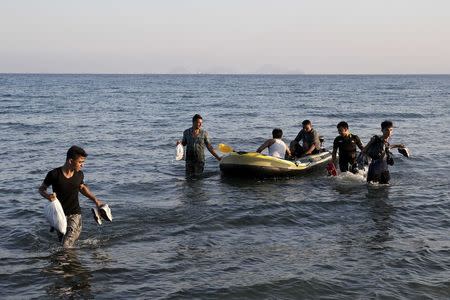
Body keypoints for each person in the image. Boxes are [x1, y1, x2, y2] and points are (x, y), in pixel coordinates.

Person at [38, 145, 103, 248]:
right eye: (80, 162)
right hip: (60, 215)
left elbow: (82, 188)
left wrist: (95, 200)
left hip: (75, 215)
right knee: (63, 243)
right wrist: (48, 196)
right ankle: (70, 262)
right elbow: (41, 189)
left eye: (83, 162)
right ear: (70, 161)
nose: (82, 165)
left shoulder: (79, 175)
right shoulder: (54, 174)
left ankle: (65, 261)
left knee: (65, 246)